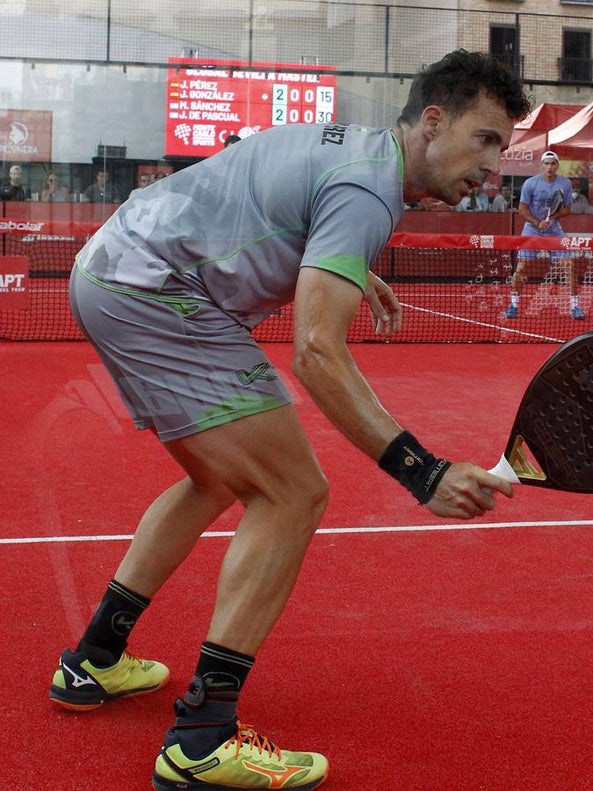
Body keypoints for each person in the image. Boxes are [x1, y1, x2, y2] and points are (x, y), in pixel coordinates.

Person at [52, 49, 530, 790]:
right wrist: (422, 471)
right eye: (486, 139)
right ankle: (202, 740)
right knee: (293, 490)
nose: (493, 165)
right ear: (433, 121)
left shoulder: (358, 153)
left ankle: (94, 660)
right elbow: (315, 349)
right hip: (157, 290)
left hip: (118, 268)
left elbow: (265, 196)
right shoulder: (371, 188)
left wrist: (347, 265)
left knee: (217, 479)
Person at [505, 149, 583, 319]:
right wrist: (537, 222)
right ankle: (513, 305)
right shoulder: (530, 184)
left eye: (553, 163)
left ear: (557, 166)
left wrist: (553, 216)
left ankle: (575, 306)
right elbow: (522, 209)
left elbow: (568, 209)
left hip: (554, 229)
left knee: (568, 265)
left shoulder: (565, 184)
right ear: (542, 165)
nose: (549, 167)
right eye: (546, 164)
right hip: (531, 228)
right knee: (522, 267)